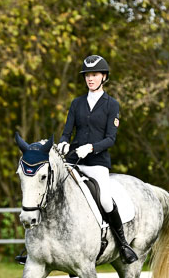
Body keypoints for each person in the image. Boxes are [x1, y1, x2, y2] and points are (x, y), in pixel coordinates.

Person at [56, 54, 138, 264]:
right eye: (87, 76)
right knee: (52, 190)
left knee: (104, 199)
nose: (90, 79)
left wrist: (91, 147)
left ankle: (123, 244)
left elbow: (110, 139)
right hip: (74, 161)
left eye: (94, 75)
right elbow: (67, 132)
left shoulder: (112, 105)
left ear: (103, 77)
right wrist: (65, 142)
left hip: (97, 163)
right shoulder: (76, 104)